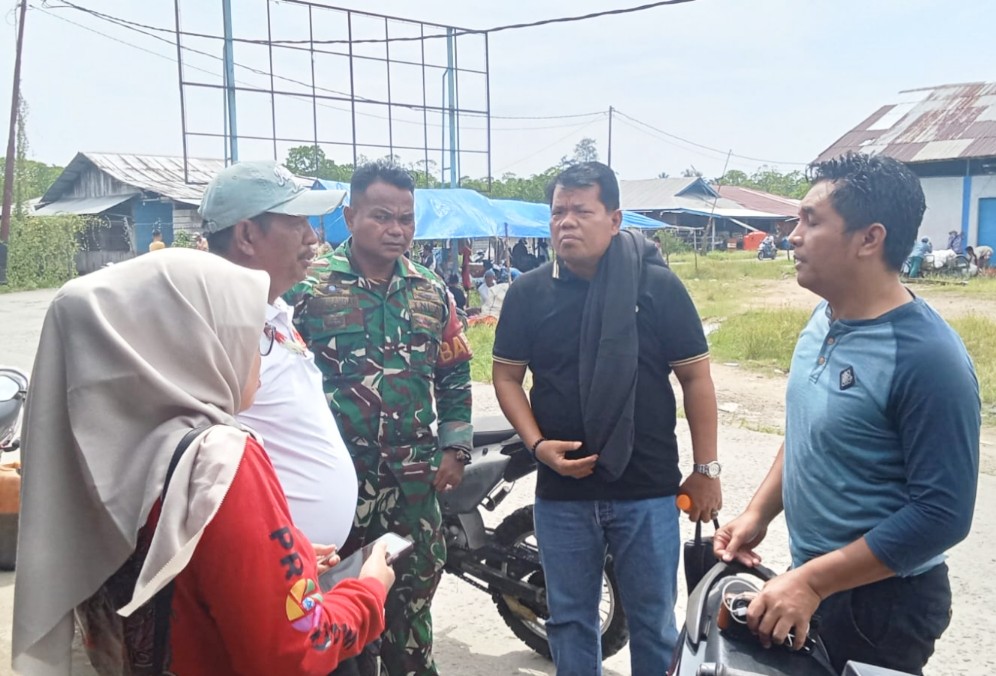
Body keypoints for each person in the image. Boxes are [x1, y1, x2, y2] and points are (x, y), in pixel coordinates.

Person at [12, 249, 394, 676]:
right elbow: (295, 652)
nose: (260, 356)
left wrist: (287, 560)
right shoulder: (221, 463)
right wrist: (368, 592)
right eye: (252, 336)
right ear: (195, 343)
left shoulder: (95, 456)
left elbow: (191, 581)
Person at [715, 153, 980, 675]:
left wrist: (813, 582)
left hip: (883, 604)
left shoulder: (928, 359)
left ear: (869, 239)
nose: (792, 236)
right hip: (815, 580)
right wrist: (758, 514)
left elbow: (942, 515)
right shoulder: (824, 318)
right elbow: (809, 433)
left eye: (811, 221)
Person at [492, 161, 722, 675]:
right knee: (570, 620)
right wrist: (536, 446)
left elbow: (696, 380)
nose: (565, 222)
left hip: (646, 489)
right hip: (562, 492)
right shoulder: (529, 293)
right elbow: (506, 377)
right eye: (558, 212)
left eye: (581, 211)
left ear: (615, 220)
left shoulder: (656, 287)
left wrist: (706, 470)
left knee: (654, 623)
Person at [295, 160, 473, 676]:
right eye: (381, 216)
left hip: (413, 485)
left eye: (406, 218)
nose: (396, 229)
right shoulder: (308, 289)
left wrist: (455, 446)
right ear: (350, 217)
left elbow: (454, 372)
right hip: (339, 488)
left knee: (411, 613)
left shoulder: (431, 290)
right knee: (336, 618)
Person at [198, 160, 358, 550]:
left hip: (298, 563)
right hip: (269, 567)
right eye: (297, 223)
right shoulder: (219, 329)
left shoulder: (272, 310)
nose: (313, 237)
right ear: (247, 235)